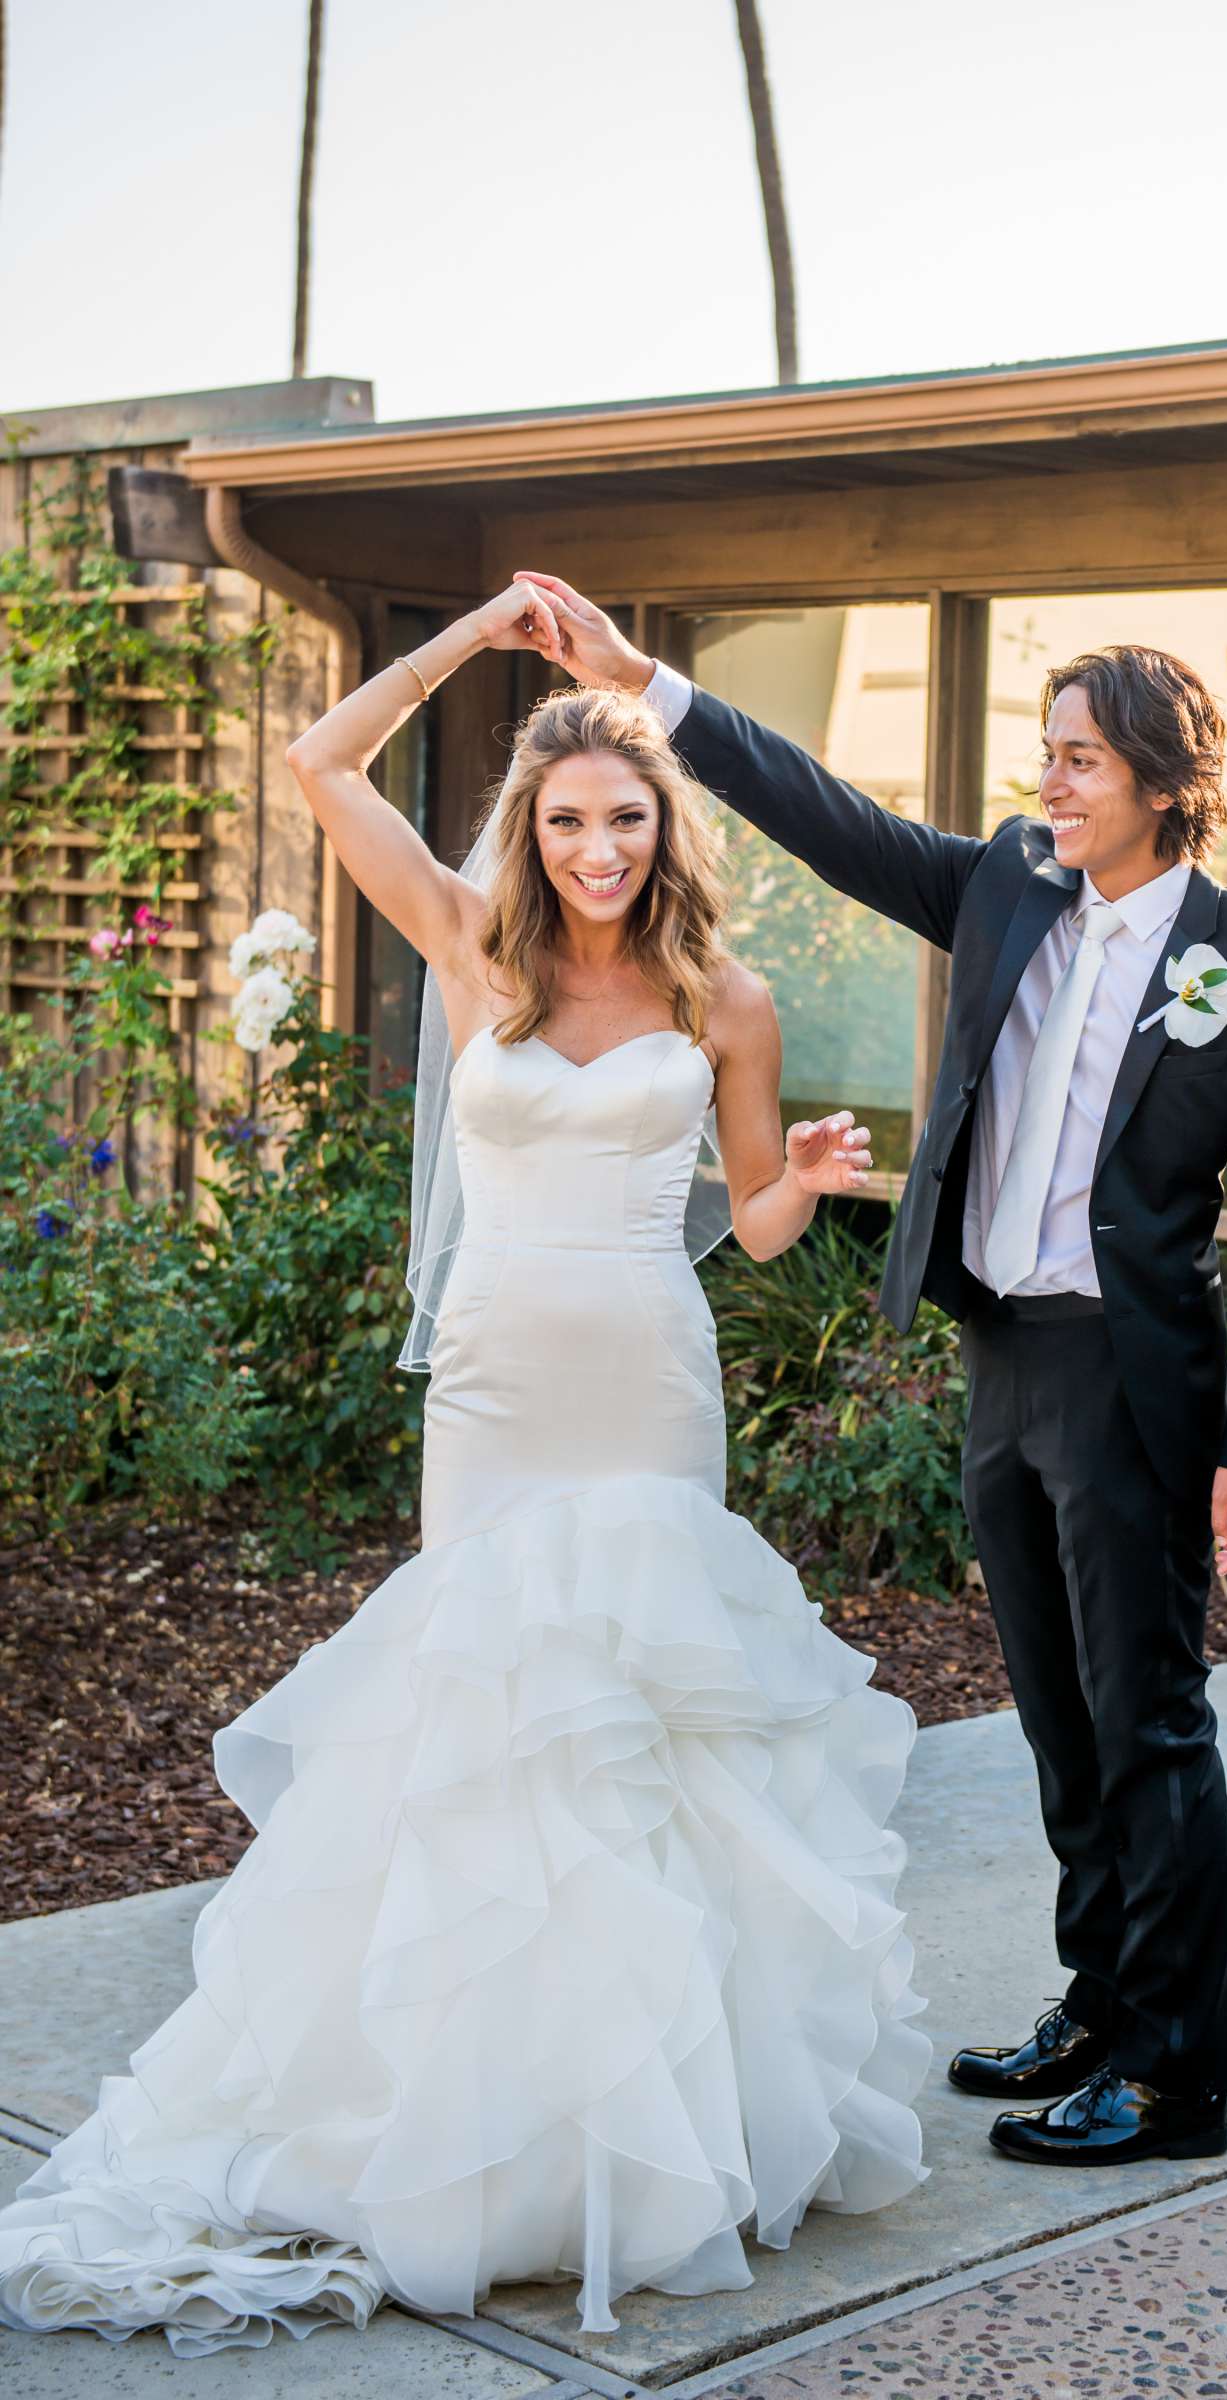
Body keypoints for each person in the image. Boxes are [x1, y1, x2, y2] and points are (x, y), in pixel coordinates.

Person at [0, 582, 930, 2356]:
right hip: (497, 1391)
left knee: (636, 1733)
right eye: (568, 816)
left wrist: (808, 1169)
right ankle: (459, 2113)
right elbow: (315, 756)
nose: (595, 845)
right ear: (533, 825)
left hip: (647, 1381)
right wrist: (482, 648)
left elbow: (747, 1219)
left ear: (667, 829)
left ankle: (643, 2139)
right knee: (489, 1722)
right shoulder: (467, 946)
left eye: (625, 816)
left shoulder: (723, 997)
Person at [517, 571, 1227, 2169]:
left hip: (1132, 1377)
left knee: (1150, 1721)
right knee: (1056, 1716)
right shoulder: (1008, 886)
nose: (1052, 779)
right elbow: (825, 813)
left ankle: (1176, 2081)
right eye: (1051, 751)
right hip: (1005, 1353)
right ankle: (1099, 2008)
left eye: (1084, 757)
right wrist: (646, 685)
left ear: (1169, 781)